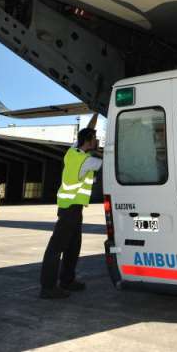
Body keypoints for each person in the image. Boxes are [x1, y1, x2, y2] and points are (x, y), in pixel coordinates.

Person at [39, 114, 101, 298]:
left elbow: (80, 139)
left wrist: (94, 118)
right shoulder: (88, 160)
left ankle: (67, 280)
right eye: (94, 139)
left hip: (72, 208)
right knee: (56, 247)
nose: (97, 141)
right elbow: (109, 164)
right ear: (89, 142)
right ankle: (48, 287)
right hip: (70, 209)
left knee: (73, 246)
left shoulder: (72, 152)